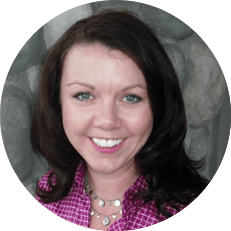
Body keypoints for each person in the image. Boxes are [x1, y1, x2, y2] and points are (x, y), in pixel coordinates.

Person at [31, 10, 208, 230]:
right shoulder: (47, 195)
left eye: (130, 97)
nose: (107, 121)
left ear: (158, 106)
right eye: (84, 95)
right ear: (57, 104)